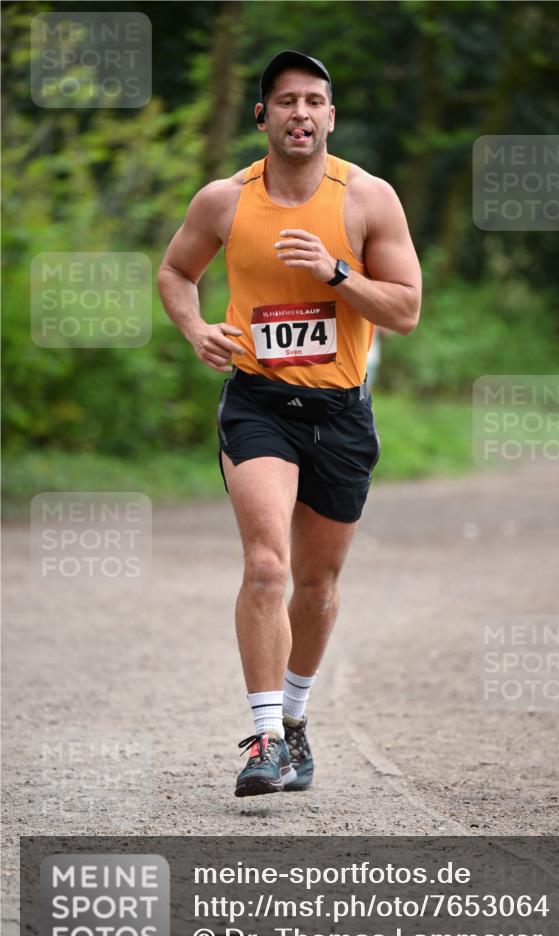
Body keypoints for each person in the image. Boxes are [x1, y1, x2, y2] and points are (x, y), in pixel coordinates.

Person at [158, 50, 421, 797]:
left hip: (340, 412)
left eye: (313, 101)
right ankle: (263, 739)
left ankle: (297, 724)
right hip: (258, 404)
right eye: (285, 102)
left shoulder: (368, 200)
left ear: (330, 116)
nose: (299, 113)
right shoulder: (224, 201)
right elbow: (176, 272)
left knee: (316, 583)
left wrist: (336, 274)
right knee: (267, 566)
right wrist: (195, 328)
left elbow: (404, 312)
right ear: (262, 116)